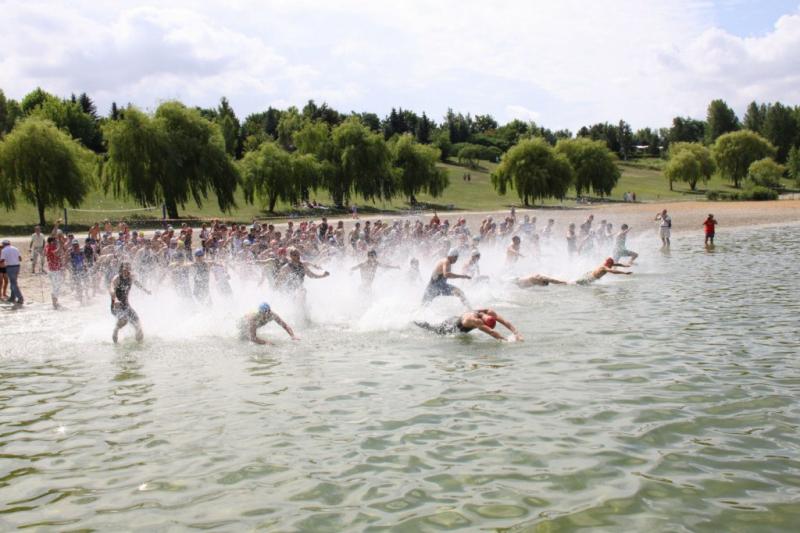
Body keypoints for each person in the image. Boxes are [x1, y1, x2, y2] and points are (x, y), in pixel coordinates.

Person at [415, 308, 523, 341]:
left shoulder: (488, 312)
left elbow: (505, 322)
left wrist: (517, 333)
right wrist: (507, 341)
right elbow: (492, 332)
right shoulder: (476, 321)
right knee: (433, 329)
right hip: (451, 327)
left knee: (434, 327)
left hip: (455, 318)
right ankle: (414, 322)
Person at [109, 262, 151, 343]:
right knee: (124, 320)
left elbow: (137, 284)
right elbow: (111, 289)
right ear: (121, 270)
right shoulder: (117, 278)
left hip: (126, 306)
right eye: (125, 269)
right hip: (116, 306)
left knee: (139, 326)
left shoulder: (131, 277)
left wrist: (146, 290)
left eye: (129, 269)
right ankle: (116, 330)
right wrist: (116, 300)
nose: (127, 271)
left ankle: (138, 345)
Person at [0, 239, 24, 307]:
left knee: (13, 284)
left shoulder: (4, 250)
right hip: (17, 266)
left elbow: (2, 260)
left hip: (10, 267)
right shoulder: (15, 248)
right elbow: (20, 259)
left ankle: (20, 298)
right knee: (14, 282)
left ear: (4, 245)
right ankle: (12, 298)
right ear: (9, 244)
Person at [45, 236, 65, 309]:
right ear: (51, 242)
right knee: (56, 287)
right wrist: (61, 245)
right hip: (54, 271)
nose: (56, 242)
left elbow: (59, 254)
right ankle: (54, 304)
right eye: (55, 241)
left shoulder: (49, 246)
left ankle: (55, 302)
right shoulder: (50, 247)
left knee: (57, 286)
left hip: (55, 270)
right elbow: (56, 253)